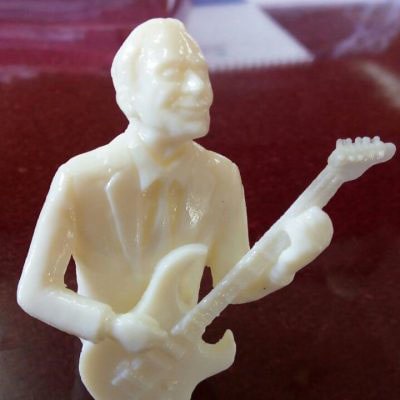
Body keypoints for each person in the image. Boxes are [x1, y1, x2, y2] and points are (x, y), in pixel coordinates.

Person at [17, 18, 333, 396]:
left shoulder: (221, 176)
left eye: (202, 73)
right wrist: (111, 324)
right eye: (173, 73)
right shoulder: (79, 179)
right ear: (129, 93)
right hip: (105, 362)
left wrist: (288, 261)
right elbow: (35, 290)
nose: (199, 88)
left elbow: (234, 281)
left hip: (178, 360)